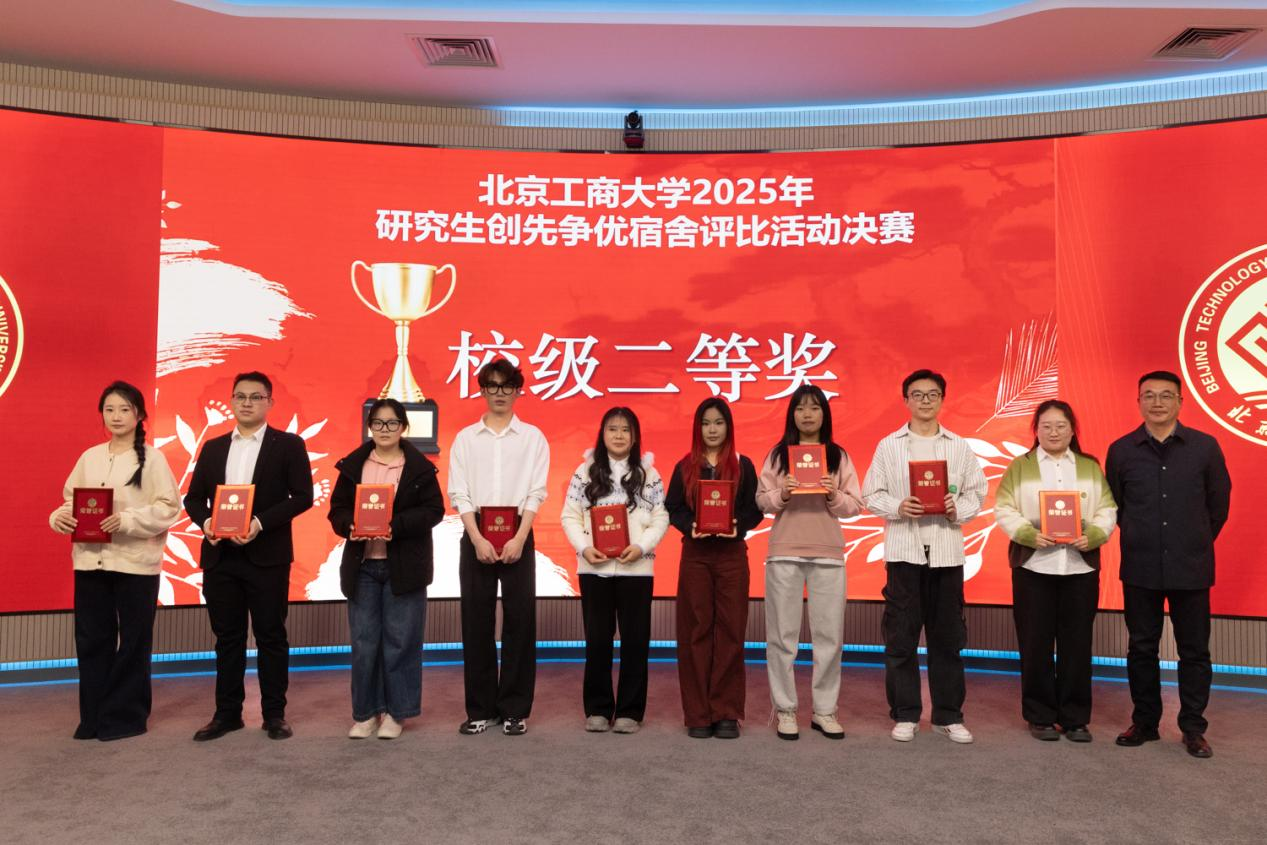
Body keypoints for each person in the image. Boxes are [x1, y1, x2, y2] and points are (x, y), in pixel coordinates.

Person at [1106, 371, 1231, 759]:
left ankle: (1193, 727)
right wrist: (1144, 536)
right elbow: (1116, 506)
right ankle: (1145, 722)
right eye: (1149, 395)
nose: (1157, 402)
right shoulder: (1121, 450)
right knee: (1141, 648)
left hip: (1190, 565)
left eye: (1165, 395)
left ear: (1180, 402)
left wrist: (1192, 540)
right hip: (1140, 565)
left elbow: (1218, 505)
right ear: (1138, 402)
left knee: (1194, 651)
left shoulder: (1205, 447)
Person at [184, 371, 314, 741]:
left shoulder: (288, 444)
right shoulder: (212, 447)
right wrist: (207, 522)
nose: (246, 403)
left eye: (256, 397)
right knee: (227, 637)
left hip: (267, 555)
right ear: (231, 401)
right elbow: (193, 498)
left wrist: (259, 523)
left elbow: (302, 496)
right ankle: (227, 714)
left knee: (271, 635)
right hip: (220, 556)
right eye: (240, 396)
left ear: (269, 402)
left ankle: (274, 714)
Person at [49, 380, 180, 741]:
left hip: (135, 563)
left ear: (139, 415)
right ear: (101, 415)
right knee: (92, 639)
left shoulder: (153, 459)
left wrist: (127, 521)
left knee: (134, 641)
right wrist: (59, 517)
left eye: (124, 409)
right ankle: (93, 718)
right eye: (109, 409)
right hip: (90, 562)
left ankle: (125, 718)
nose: (116, 416)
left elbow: (169, 507)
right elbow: (71, 500)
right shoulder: (89, 457)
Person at [862, 369, 988, 744]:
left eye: (932, 394)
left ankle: (948, 715)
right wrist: (898, 506)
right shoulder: (889, 446)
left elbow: (977, 492)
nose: (925, 401)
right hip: (904, 552)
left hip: (946, 553)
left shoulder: (959, 446)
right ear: (906, 400)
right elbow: (871, 494)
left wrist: (956, 509)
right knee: (901, 638)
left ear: (942, 400)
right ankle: (906, 714)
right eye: (917, 395)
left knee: (948, 638)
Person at [994, 400, 1117, 742]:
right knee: (1035, 643)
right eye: (1046, 426)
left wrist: (1094, 535)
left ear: (1072, 430)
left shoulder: (1090, 466)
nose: (1053, 432)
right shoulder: (1020, 466)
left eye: (1061, 426)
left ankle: (1075, 718)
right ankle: (1040, 716)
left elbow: (1107, 508)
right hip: (1034, 566)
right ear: (1036, 430)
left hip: (1079, 567)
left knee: (1077, 645)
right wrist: (1027, 534)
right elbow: (1004, 508)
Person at [328, 398, 445, 739]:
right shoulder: (354, 465)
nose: (385, 429)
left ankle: (397, 713)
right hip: (363, 565)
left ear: (403, 427)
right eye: (378, 423)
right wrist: (349, 525)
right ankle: (365, 714)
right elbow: (337, 509)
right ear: (369, 427)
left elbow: (434, 511)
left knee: (401, 642)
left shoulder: (420, 468)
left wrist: (397, 525)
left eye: (392, 423)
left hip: (404, 567)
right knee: (364, 643)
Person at [447, 358, 549, 736]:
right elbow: (459, 493)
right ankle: (481, 709)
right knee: (476, 622)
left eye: (507, 386)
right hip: (476, 534)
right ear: (483, 390)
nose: (500, 393)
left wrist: (520, 537)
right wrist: (476, 538)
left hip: (519, 533)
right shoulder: (465, 439)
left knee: (520, 621)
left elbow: (536, 491)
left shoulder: (533, 437)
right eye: (492, 386)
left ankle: (514, 709)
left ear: (518, 391)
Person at [756, 385, 863, 741]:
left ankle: (824, 711)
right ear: (792, 414)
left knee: (829, 638)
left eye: (814, 408)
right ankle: (786, 710)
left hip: (828, 553)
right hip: (784, 551)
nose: (807, 414)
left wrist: (833, 493)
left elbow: (854, 505)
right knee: (782, 637)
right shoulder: (778, 455)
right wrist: (783, 493)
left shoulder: (837, 456)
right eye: (800, 408)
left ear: (824, 414)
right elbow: (761, 501)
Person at [560, 407, 669, 734]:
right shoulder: (585, 471)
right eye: (612, 429)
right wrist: (584, 547)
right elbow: (570, 515)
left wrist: (642, 546)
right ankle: (597, 709)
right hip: (593, 569)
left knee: (636, 642)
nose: (619, 435)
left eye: (625, 430)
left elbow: (661, 517)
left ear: (634, 437)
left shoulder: (649, 474)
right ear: (602, 434)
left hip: (637, 570)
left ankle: (630, 712)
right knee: (597, 641)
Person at [665, 397, 764, 739]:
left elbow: (755, 510)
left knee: (731, 631)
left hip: (732, 556)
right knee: (696, 632)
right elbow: (673, 507)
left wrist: (738, 526)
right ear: (698, 428)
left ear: (728, 427)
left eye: (718, 423)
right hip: (696, 555)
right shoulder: (685, 466)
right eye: (706, 423)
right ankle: (697, 713)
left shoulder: (743, 465)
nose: (712, 429)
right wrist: (690, 525)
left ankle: (726, 712)